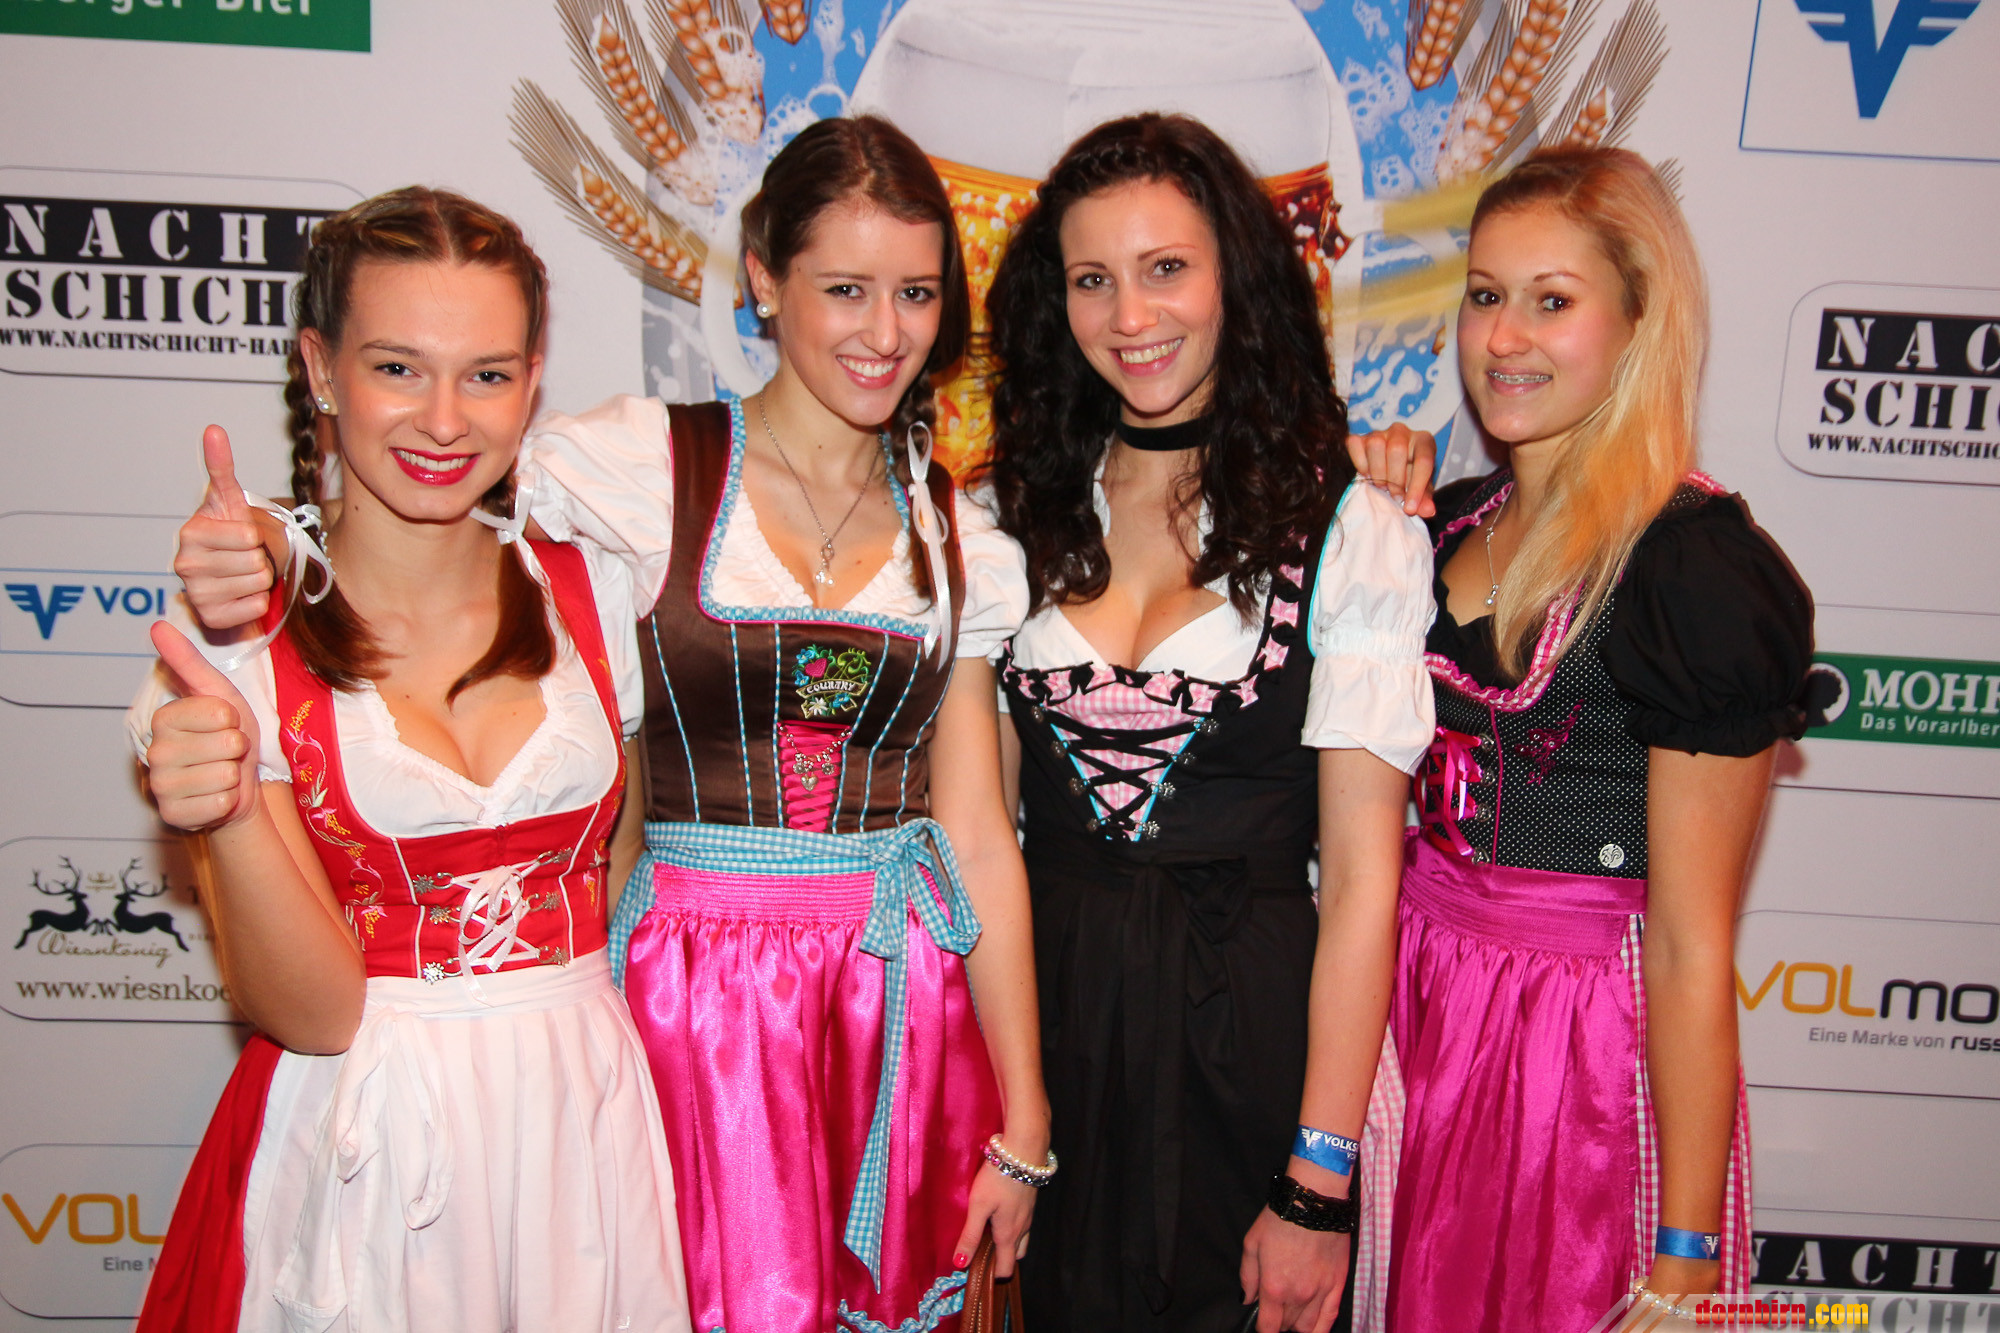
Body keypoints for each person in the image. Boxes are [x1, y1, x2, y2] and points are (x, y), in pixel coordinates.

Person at [170, 117, 1047, 1333]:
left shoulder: (962, 542)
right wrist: (271, 537)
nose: (884, 331)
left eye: (915, 292)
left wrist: (1024, 1112)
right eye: (845, 288)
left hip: (890, 1003)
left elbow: (978, 837)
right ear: (762, 279)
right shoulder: (630, 469)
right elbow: (424, 494)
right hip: (686, 1006)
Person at [126, 188, 691, 1332]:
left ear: (532, 381)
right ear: (320, 370)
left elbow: (621, 884)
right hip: (364, 1139)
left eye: (486, 374)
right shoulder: (236, 645)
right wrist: (228, 810)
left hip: (581, 1119)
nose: (443, 421)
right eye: (397, 368)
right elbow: (315, 1012)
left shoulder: (593, 585)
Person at [981, 112, 1439, 1333]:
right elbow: (978, 833)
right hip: (1045, 1040)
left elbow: (1362, 883)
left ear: (1236, 273)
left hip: (1251, 1037)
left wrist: (1315, 1180)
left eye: (1165, 268)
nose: (1129, 315)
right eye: (1091, 278)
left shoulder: (1351, 525)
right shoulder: (1004, 517)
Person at [1368, 147, 1814, 1332]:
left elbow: (1687, 943)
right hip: (1416, 1009)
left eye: (1550, 300)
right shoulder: (1439, 523)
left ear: (1636, 321)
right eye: (1483, 295)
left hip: (1574, 1052)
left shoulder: (1688, 569)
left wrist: (1683, 1256)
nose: (1502, 337)